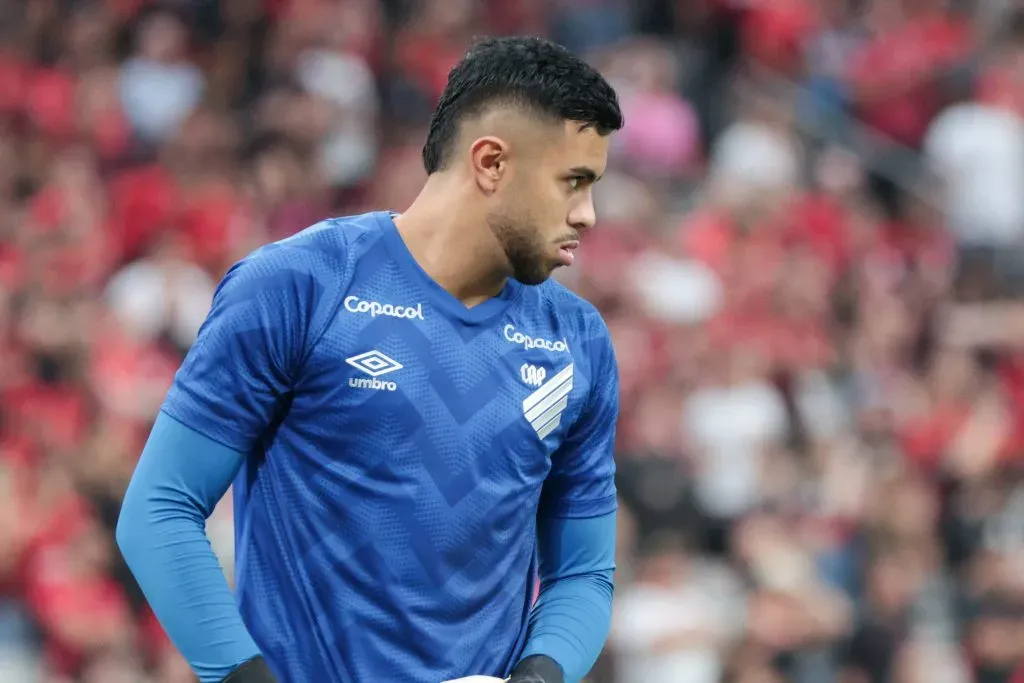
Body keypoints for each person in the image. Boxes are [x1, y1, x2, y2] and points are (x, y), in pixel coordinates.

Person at [116, 36, 624, 683]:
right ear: (492, 163)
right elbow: (158, 509)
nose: (589, 214)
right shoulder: (300, 285)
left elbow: (583, 570)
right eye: (573, 183)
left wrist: (536, 677)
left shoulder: (577, 339)